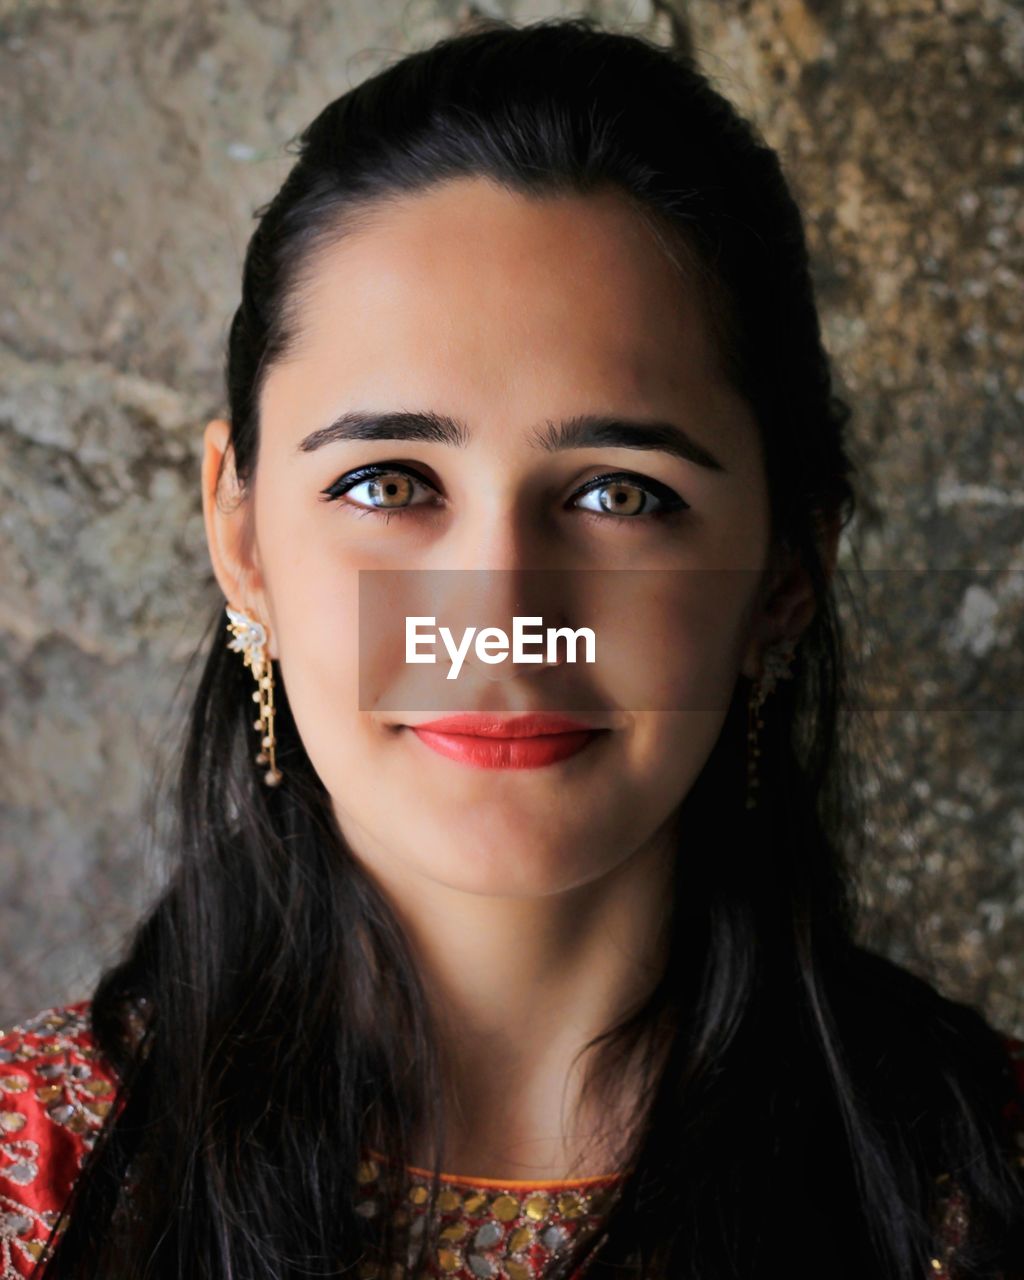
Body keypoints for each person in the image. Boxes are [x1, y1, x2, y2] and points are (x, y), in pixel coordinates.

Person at [1, 15, 1021, 1280]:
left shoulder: (979, 1192)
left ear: (783, 573)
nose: (494, 615)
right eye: (387, 482)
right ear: (240, 530)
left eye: (618, 493)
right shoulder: (43, 1193)